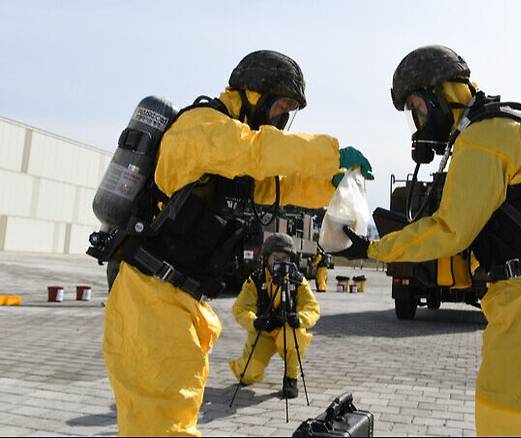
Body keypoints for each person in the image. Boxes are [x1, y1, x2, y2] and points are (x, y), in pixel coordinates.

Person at [103, 50, 372, 436]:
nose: (282, 117)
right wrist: (329, 155)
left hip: (177, 302)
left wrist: (329, 186)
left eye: (290, 110)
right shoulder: (202, 127)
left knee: (167, 420)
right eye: (281, 105)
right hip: (149, 301)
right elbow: (255, 150)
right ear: (252, 93)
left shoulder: (233, 159)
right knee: (164, 424)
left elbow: (277, 183)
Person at [336, 45, 521, 436]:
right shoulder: (496, 128)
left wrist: (372, 248)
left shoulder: (484, 138)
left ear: (441, 95)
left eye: (417, 106)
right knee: (517, 417)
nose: (418, 119)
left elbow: (450, 229)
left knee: (512, 420)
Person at [229, 233, 320, 398]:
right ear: (266, 258)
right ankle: (242, 369)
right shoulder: (255, 280)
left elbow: (312, 308)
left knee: (297, 333)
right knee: (248, 375)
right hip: (262, 333)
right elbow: (240, 308)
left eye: (284, 258)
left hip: (286, 330)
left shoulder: (297, 280)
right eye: (275, 258)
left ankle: (291, 378)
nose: (280, 262)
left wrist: (300, 319)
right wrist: (255, 322)